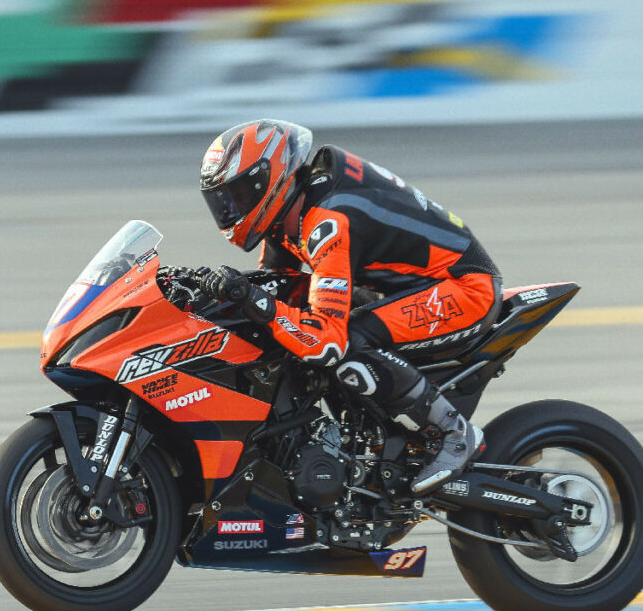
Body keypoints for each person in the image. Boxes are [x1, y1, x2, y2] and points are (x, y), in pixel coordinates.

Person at [199, 119, 502, 493]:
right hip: (405, 286)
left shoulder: (327, 218)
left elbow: (326, 340)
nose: (231, 209)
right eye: (222, 201)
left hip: (463, 288)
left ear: (271, 179)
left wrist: (253, 299)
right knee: (285, 323)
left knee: (348, 342)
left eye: (239, 195)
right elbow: (276, 286)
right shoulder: (288, 209)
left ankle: (453, 433)